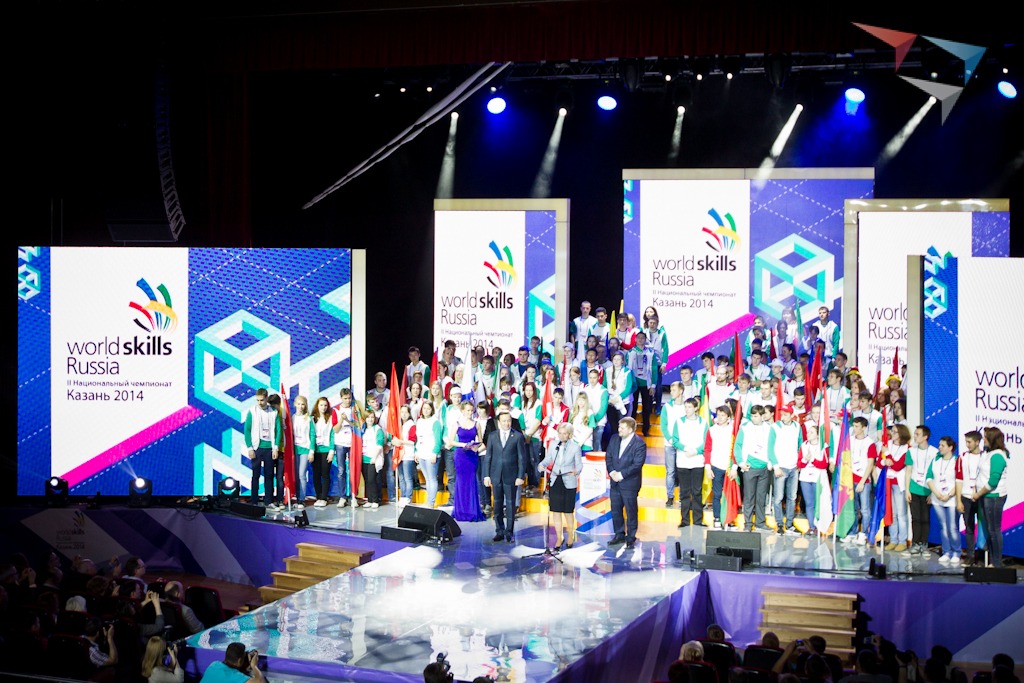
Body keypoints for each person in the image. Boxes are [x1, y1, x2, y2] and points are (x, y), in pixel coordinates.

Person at [483, 410, 527, 542]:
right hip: (496, 475)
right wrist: (486, 475)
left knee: (510, 504)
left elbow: (522, 458)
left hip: (511, 476)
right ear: (499, 422)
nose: (507, 423)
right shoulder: (492, 436)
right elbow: (488, 456)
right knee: (497, 504)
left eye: (509, 421)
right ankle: (499, 530)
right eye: (504, 421)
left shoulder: (517, 436)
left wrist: (520, 476)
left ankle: (509, 532)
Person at [538, 422, 584, 549]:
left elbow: (579, 465)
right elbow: (548, 459)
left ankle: (570, 536)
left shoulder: (575, 447)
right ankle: (559, 537)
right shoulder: (554, 445)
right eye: (560, 433)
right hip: (555, 480)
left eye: (565, 433)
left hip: (568, 481)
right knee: (556, 511)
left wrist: (576, 471)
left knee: (568, 511)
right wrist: (541, 465)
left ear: (569, 435)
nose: (562, 436)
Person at [605, 417, 647, 548]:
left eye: (622, 428)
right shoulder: (614, 439)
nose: (619, 430)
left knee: (631, 511)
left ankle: (631, 537)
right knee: (616, 510)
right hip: (614, 482)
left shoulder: (639, 444)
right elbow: (608, 456)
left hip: (629, 483)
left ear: (630, 430)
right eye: (619, 427)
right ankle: (619, 535)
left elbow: (637, 465)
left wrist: (621, 475)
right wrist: (612, 472)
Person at [972, 427, 1009, 567]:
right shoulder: (988, 453)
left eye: (986, 437)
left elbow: (993, 481)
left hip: (993, 497)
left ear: (992, 439)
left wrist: (978, 494)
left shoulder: (998, 456)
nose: (984, 439)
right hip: (985, 496)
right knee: (989, 529)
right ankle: (992, 561)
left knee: (994, 530)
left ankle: (996, 562)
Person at [672, 397, 708, 527]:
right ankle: (685, 520)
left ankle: (698, 520)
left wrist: (696, 451)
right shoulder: (679, 422)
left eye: (689, 407)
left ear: (695, 408)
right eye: (685, 407)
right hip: (683, 461)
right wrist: (686, 448)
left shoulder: (703, 422)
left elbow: (706, 441)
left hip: (697, 461)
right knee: (684, 492)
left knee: (697, 491)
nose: (687, 410)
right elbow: (675, 440)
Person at [244, 388, 282, 509]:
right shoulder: (252, 411)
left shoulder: (273, 412)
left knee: (269, 475)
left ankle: (268, 501)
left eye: (262, 400)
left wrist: (275, 448)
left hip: (269, 448)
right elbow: (247, 430)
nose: (260, 402)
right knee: (255, 475)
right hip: (257, 448)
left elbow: (278, 430)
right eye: (258, 400)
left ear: (266, 398)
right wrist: (250, 448)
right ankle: (254, 501)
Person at [737, 404, 773, 531]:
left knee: (761, 497)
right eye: (752, 416)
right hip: (750, 467)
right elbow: (738, 445)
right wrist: (741, 462)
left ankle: (760, 522)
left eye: (756, 416)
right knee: (749, 496)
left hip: (764, 467)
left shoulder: (769, 428)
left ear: (762, 416)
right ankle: (748, 523)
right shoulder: (745, 427)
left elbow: (772, 446)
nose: (753, 418)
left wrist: (771, 462)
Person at [768, 403, 803, 534]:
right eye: (782, 414)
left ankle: (789, 524)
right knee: (778, 497)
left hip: (793, 467)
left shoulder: (797, 426)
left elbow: (800, 445)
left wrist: (799, 463)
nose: (783, 416)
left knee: (792, 497)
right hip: (781, 467)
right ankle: (779, 523)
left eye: (786, 414)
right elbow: (770, 447)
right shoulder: (775, 427)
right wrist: (776, 466)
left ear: (791, 415)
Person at [448, 401, 485, 522]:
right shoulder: (457, 424)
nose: (470, 413)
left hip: (472, 456)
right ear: (462, 411)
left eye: (471, 410)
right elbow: (451, 441)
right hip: (460, 455)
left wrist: (476, 448)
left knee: (471, 481)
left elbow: (481, 441)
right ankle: (461, 511)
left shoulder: (477, 424)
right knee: (461, 482)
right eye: (467, 410)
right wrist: (463, 445)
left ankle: (471, 511)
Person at [928, 436, 960, 564]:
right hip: (937, 498)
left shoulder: (956, 461)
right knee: (943, 526)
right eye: (939, 445)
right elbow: (929, 478)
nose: (939, 447)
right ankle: (947, 551)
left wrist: (949, 495)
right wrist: (936, 493)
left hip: (951, 499)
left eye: (942, 445)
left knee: (952, 527)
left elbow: (959, 480)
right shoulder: (936, 460)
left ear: (950, 447)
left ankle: (956, 552)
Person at [906, 425, 937, 555]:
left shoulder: (934, 452)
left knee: (925, 518)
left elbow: (936, 474)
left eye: (917, 434)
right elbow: (908, 471)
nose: (915, 436)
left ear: (925, 437)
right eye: (914, 434)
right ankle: (915, 543)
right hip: (914, 487)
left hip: (927, 489)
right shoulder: (911, 451)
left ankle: (924, 544)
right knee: (915, 518)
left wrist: (933, 493)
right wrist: (907, 490)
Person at [704, 404, 736, 529]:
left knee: (729, 495)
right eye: (719, 415)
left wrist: (734, 467)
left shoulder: (733, 430)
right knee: (717, 494)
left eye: (723, 415)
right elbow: (707, 449)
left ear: (728, 417)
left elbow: (735, 449)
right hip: (716, 466)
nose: (721, 417)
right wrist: (708, 467)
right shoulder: (712, 430)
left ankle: (728, 519)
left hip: (729, 467)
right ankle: (717, 518)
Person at [955, 430, 984, 565]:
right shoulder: (962, 457)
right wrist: (959, 500)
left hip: (981, 497)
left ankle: (983, 555)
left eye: (969, 442)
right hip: (966, 497)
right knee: (969, 527)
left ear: (977, 442)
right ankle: (971, 555)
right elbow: (959, 480)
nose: (967, 444)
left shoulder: (985, 457)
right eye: (966, 442)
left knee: (984, 527)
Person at [881, 424, 912, 552]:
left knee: (901, 514)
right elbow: (880, 462)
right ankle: (893, 540)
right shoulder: (887, 445)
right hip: (888, 482)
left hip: (899, 484)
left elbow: (898, 466)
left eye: (895, 432)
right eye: (892, 431)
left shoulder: (907, 448)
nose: (892, 434)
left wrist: (887, 456)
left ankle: (902, 541)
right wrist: (885, 461)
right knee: (892, 513)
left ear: (901, 434)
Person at [332, 388, 361, 507]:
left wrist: (348, 420)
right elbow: (335, 429)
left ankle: (354, 496)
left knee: (353, 470)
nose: (348, 400)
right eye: (345, 398)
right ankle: (342, 497)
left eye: (349, 398)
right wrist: (341, 420)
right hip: (340, 443)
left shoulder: (354, 409)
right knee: (341, 471)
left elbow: (358, 425)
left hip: (352, 443)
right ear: (341, 398)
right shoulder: (336, 410)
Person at [414, 401, 444, 508]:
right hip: (421, 453)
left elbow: (438, 440)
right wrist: (416, 452)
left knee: (432, 479)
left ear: (432, 410)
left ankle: (431, 502)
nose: (426, 410)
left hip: (431, 454)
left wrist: (435, 453)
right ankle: (428, 501)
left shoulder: (435, 422)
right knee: (427, 479)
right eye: (424, 408)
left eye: (428, 408)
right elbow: (418, 438)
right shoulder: (419, 421)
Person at [199, 642, 264, 683]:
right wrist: (254, 665)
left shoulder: (214, 664)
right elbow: (260, 681)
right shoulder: (234, 676)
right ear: (239, 661)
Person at [310, 396, 334, 507]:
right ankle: (318, 496)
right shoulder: (312, 418)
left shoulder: (330, 418)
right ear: (317, 406)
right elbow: (311, 435)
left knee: (325, 474)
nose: (323, 407)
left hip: (326, 450)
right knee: (316, 474)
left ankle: (324, 498)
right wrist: (311, 451)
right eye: (321, 405)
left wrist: (331, 450)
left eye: (325, 405)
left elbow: (333, 435)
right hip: (315, 450)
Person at [291, 395, 315, 503]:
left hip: (305, 449)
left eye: (303, 404)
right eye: (299, 404)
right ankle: (296, 497)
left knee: (302, 474)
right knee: (296, 475)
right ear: (295, 404)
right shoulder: (292, 418)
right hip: (295, 449)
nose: (301, 406)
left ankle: (301, 499)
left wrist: (311, 451)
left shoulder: (309, 419)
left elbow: (312, 435)